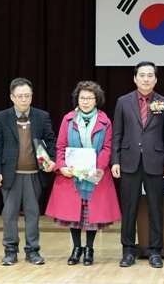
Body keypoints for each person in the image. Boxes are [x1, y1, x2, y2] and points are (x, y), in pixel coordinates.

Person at [46, 80, 121, 264]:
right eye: (82, 98)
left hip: (96, 175)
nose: (85, 102)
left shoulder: (105, 121)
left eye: (89, 98)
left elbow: (108, 147)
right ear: (77, 99)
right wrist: (61, 166)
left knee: (91, 215)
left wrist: (98, 167)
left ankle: (89, 249)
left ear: (96, 100)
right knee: (74, 215)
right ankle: (76, 248)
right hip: (72, 175)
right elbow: (61, 146)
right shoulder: (68, 119)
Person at [111, 61, 164, 268]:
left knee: (156, 208)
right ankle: (128, 250)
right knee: (129, 208)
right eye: (142, 75)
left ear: (155, 79)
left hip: (155, 161)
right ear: (135, 78)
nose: (146, 79)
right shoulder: (123, 101)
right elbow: (117, 134)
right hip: (129, 161)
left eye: (150, 75)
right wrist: (115, 160)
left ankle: (155, 250)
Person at [0, 77, 56, 266]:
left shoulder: (42, 116)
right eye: (20, 96)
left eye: (27, 95)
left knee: (32, 213)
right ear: (12, 97)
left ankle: (33, 250)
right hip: (10, 174)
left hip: (34, 174)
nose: (24, 99)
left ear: (32, 96)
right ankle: (10, 250)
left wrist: (52, 160)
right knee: (9, 214)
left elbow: (51, 141)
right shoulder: (1, 117)